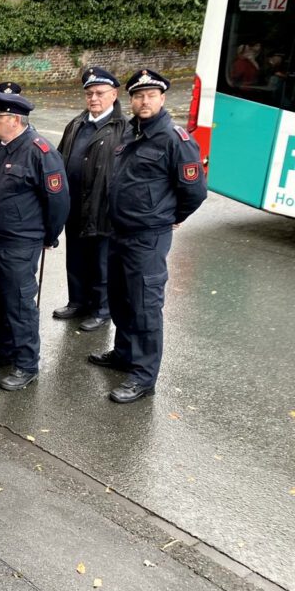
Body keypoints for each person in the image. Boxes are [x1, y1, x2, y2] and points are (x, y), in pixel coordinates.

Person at [90, 69, 206, 403]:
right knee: (121, 297)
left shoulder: (175, 139)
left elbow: (194, 191)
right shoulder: (130, 132)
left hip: (148, 237)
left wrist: (171, 217)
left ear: (162, 98)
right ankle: (124, 353)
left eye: (150, 95)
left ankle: (143, 376)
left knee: (144, 305)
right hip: (119, 231)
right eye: (138, 96)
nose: (144, 101)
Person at [0, 90, 70, 392]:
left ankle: (27, 363)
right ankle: (4, 352)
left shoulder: (39, 151)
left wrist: (49, 236)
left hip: (19, 241)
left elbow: (58, 202)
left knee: (19, 303)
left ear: (15, 120)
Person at [53, 67, 127, 332]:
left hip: (102, 208)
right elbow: (60, 158)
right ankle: (78, 301)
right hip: (74, 205)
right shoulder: (76, 123)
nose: (93, 98)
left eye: (99, 93)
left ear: (113, 94)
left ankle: (101, 309)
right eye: (89, 93)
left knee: (101, 262)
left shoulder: (123, 128)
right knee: (75, 257)